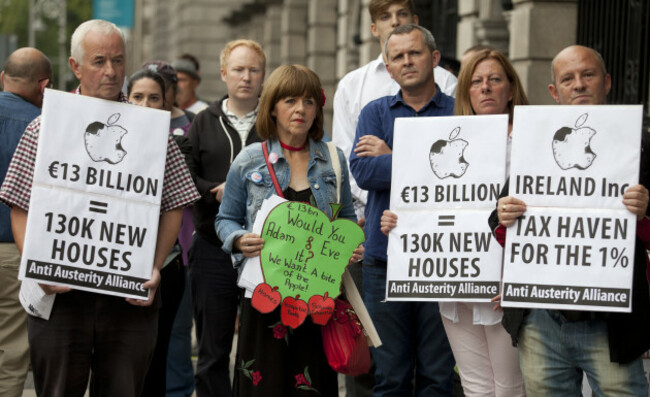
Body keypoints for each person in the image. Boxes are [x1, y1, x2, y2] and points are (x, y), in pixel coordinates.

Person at [0, 19, 200, 396]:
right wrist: (37, 265)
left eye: (118, 60)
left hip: (127, 298)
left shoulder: (150, 130)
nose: (111, 71)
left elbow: (175, 203)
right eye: (98, 61)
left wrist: (154, 266)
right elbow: (19, 203)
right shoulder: (44, 127)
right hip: (59, 297)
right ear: (75, 66)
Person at [489, 45, 650, 395]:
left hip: (611, 326)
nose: (578, 84)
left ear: (606, 82)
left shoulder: (640, 146)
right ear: (555, 92)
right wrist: (504, 214)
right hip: (541, 321)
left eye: (587, 75)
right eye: (568, 78)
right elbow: (498, 222)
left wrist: (644, 213)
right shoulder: (535, 143)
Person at [380, 48, 528, 396]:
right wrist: (399, 222)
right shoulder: (447, 138)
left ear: (510, 87)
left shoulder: (526, 140)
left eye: (494, 79)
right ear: (466, 91)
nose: (485, 88)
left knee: (510, 388)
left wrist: (517, 281)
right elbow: (428, 204)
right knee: (475, 386)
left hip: (504, 286)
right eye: (476, 82)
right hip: (455, 283)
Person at [215, 64, 363, 396]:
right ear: (272, 107)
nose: (300, 109)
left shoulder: (334, 160)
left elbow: (347, 219)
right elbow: (224, 220)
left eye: (309, 101)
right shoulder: (249, 160)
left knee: (312, 386)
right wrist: (239, 240)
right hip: (264, 298)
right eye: (290, 100)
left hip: (317, 299)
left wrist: (351, 245)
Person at [349, 24, 455, 396]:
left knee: (437, 377)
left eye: (415, 53)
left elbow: (460, 181)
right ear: (389, 68)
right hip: (384, 260)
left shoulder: (459, 113)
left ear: (435, 58)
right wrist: (430, 165)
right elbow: (363, 173)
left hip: (442, 260)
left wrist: (393, 156)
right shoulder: (375, 113)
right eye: (398, 56)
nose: (407, 61)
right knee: (390, 377)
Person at [187, 39, 266, 397]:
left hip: (266, 252)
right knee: (212, 351)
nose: (246, 77)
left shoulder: (275, 119)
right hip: (212, 250)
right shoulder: (204, 121)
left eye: (253, 69)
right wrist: (215, 190)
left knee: (260, 351)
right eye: (238, 69)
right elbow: (184, 176)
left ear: (263, 75)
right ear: (223, 74)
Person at [127, 68, 196, 397]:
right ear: (126, 100)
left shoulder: (172, 147)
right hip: (115, 263)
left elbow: (180, 206)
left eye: (154, 98)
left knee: (158, 356)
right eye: (137, 96)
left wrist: (157, 262)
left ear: (166, 104)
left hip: (166, 265)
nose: (146, 104)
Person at [0, 47, 51, 397]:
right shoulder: (45, 129)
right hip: (14, 250)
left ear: (2, 78)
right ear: (44, 86)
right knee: (11, 349)